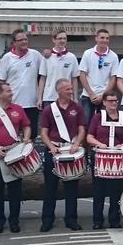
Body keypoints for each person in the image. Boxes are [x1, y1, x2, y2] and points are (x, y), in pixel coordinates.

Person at [0, 82, 31, 234]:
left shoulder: (18, 109)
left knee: (15, 188)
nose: (11, 92)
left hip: (14, 152)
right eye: (8, 91)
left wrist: (26, 138)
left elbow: (26, 126)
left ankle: (14, 220)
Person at [39, 78, 86, 233]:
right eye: (67, 89)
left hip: (71, 150)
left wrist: (77, 143)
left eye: (71, 89)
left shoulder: (77, 107)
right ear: (59, 91)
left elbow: (81, 129)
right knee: (50, 187)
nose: (71, 91)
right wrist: (51, 146)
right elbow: (44, 132)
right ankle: (47, 219)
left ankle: (71, 219)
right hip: (55, 150)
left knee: (71, 187)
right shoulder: (49, 110)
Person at [86, 88, 123, 230]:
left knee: (116, 191)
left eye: (116, 100)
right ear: (105, 102)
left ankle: (114, 219)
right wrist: (100, 144)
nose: (114, 103)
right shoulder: (97, 117)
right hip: (101, 157)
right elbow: (89, 137)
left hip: (117, 158)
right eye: (111, 101)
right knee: (98, 190)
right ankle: (97, 220)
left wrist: (122, 145)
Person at [0, 29, 44, 129]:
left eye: (26, 39)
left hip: (32, 103)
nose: (24, 42)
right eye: (21, 40)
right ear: (14, 43)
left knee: (32, 135)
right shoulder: (7, 58)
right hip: (12, 103)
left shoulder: (35, 55)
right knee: (14, 134)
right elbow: (0, 81)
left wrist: (48, 53)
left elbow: (45, 73)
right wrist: (0, 101)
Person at [79, 28, 120, 119]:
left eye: (107, 38)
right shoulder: (88, 53)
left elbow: (113, 78)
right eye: (102, 38)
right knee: (85, 123)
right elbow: (82, 74)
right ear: (96, 38)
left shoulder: (113, 56)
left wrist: (103, 96)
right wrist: (91, 94)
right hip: (88, 95)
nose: (105, 40)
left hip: (105, 97)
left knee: (104, 123)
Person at [38, 29, 80, 109]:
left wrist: (75, 98)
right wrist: (40, 98)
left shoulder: (71, 57)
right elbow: (42, 78)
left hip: (67, 97)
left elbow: (74, 79)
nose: (62, 41)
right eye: (60, 38)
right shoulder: (47, 57)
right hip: (49, 97)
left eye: (64, 38)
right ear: (54, 40)